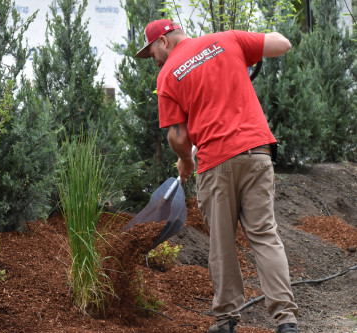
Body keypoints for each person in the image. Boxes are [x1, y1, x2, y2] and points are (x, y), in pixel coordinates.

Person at [135, 19, 299, 333]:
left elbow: (178, 138)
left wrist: (184, 161)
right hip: (257, 153)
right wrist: (245, 50)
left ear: (165, 41)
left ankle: (226, 322)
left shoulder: (168, 75)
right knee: (265, 236)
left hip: (215, 163)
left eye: (152, 50)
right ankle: (286, 321)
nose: (153, 58)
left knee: (222, 246)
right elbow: (282, 43)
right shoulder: (228, 39)